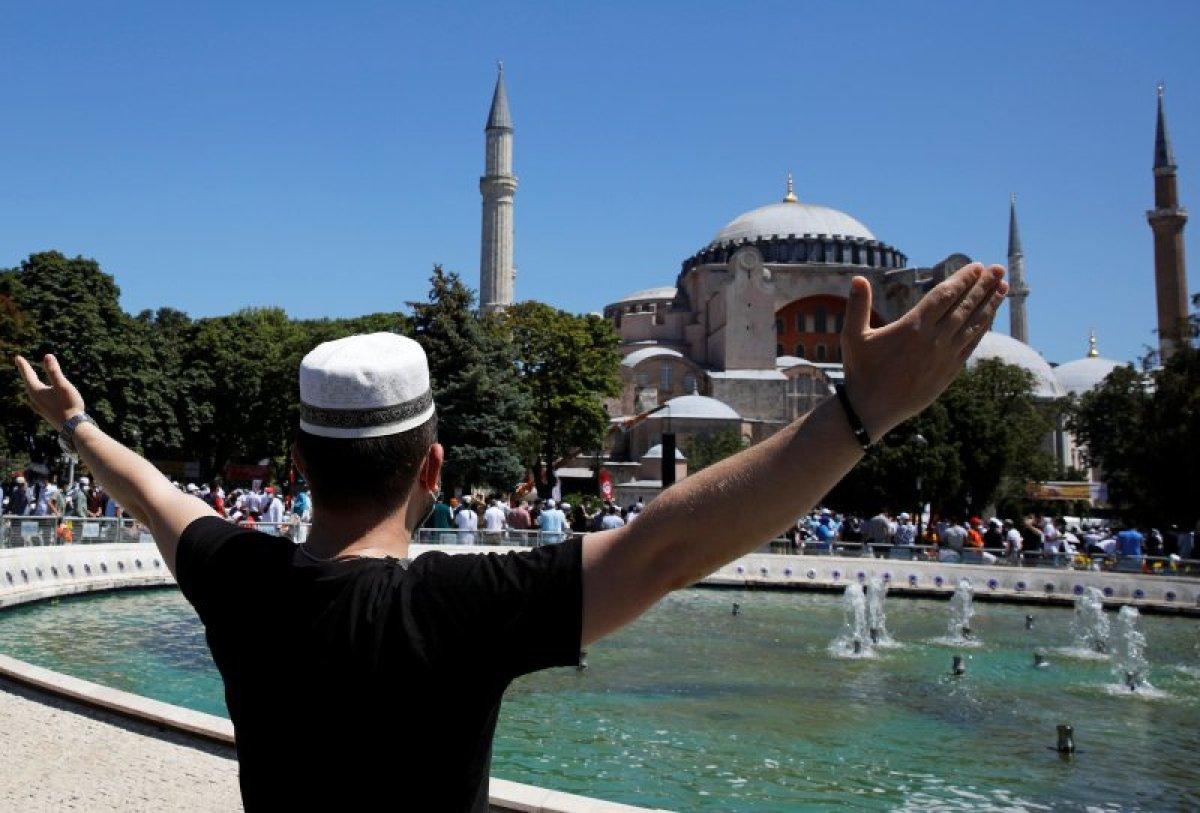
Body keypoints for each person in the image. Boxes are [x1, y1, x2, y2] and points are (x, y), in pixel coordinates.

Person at [14, 261, 1006, 811]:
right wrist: (858, 416)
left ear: (298, 464)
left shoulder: (237, 577)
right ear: (434, 468)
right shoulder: (457, 610)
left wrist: (74, 422)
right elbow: (664, 547)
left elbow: (146, 492)